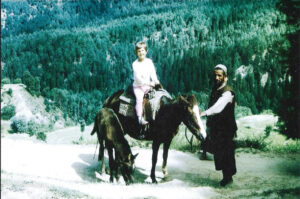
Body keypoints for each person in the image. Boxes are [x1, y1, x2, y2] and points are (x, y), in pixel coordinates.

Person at [200, 64, 237, 187]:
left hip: (226, 128)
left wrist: (205, 113)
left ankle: (228, 178)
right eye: (215, 75)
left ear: (225, 77)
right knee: (220, 153)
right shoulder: (216, 89)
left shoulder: (228, 92)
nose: (216, 77)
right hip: (218, 128)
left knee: (226, 152)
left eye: (219, 75)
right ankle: (226, 177)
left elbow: (218, 107)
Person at [132, 41, 160, 125]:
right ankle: (139, 118)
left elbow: (152, 73)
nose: (141, 53)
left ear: (146, 51)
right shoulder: (135, 64)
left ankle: (155, 116)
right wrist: (149, 83)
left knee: (157, 96)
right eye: (139, 51)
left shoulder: (149, 62)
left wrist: (155, 80)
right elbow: (138, 79)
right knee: (139, 99)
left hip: (148, 86)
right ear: (136, 53)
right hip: (138, 87)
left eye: (143, 50)